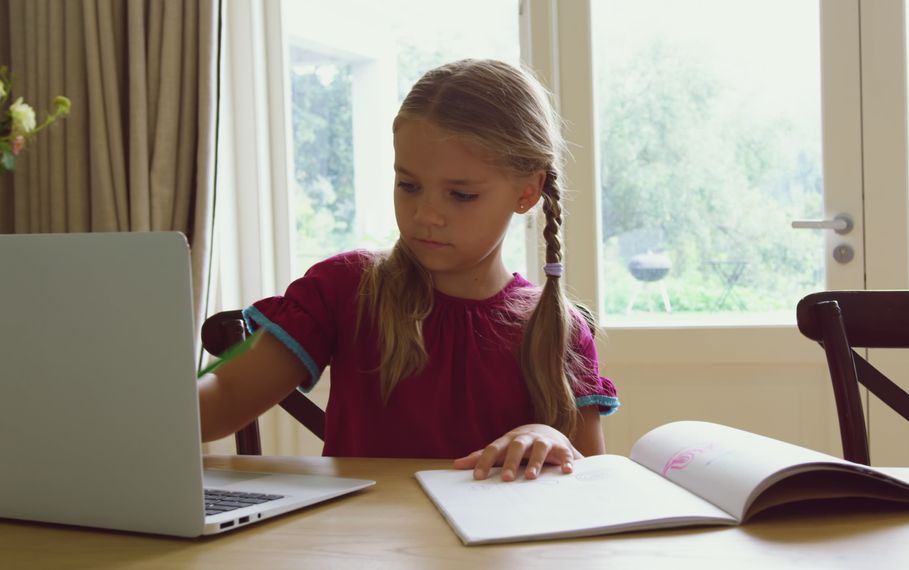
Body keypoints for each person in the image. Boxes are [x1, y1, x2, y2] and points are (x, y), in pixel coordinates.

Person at [197, 59, 619, 482]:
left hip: (495, 548)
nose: (425, 214)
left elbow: (590, 484)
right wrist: (141, 402)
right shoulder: (345, 288)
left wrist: (548, 438)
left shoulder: (558, 330)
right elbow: (226, 396)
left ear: (527, 192)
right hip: (362, 544)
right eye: (408, 185)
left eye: (461, 194)